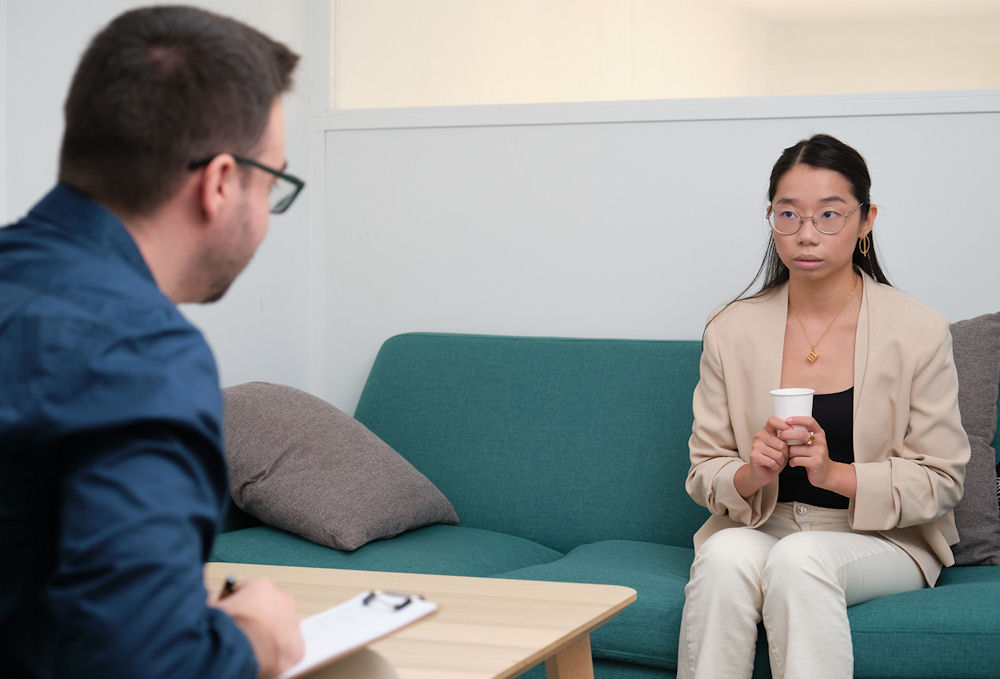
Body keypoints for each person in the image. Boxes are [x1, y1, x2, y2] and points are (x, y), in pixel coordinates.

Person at [0, 6, 307, 678]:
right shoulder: (141, 355)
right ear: (222, 183)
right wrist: (255, 635)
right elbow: (146, 666)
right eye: (273, 183)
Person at [678, 134, 971, 679]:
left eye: (829, 215)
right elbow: (703, 471)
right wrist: (750, 471)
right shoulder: (731, 329)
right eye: (788, 214)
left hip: (879, 539)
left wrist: (837, 474)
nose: (806, 235)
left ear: (866, 221)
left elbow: (942, 479)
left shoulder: (918, 329)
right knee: (721, 557)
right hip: (766, 525)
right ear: (771, 219)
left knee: (801, 558)